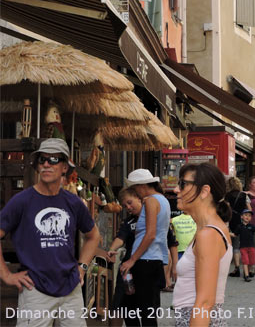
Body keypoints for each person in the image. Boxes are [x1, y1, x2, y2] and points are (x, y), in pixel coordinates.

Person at [0, 139, 101, 326]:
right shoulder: (21, 201)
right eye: (42, 160)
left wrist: (83, 267)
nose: (46, 164)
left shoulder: (73, 202)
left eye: (53, 159)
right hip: (35, 289)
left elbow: (93, 235)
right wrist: (6, 275)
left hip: (71, 289)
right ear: (37, 166)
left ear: (64, 167)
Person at [172, 162, 232, 326]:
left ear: (204, 191)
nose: (176, 190)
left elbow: (205, 302)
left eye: (183, 184)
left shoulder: (208, 234)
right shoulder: (208, 230)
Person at [121, 168, 171, 327]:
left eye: (134, 189)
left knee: (139, 309)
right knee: (149, 309)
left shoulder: (150, 200)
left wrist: (132, 259)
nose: (135, 193)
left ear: (141, 186)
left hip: (145, 260)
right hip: (155, 259)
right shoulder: (164, 200)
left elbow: (150, 234)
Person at [107, 188, 143, 327]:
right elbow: (120, 238)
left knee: (147, 308)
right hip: (128, 269)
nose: (128, 207)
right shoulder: (128, 222)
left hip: (146, 266)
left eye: (129, 202)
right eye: (124, 205)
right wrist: (111, 249)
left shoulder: (152, 217)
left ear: (139, 197)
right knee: (122, 304)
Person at [225, 176, 251, 277]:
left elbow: (226, 210)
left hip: (232, 221)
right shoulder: (244, 195)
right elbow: (249, 209)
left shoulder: (227, 196)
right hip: (243, 221)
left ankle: (236, 268)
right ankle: (248, 268)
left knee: (235, 246)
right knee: (245, 245)